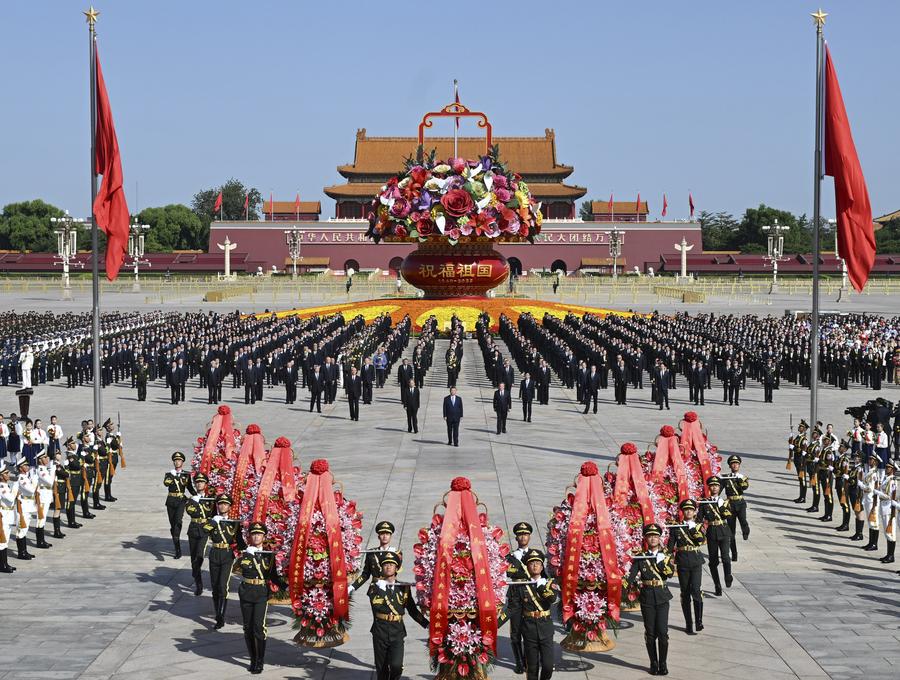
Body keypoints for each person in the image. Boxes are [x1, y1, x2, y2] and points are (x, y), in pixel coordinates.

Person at [362, 551, 428, 680]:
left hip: (397, 630)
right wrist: (380, 589)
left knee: (396, 665)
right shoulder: (374, 586)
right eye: (385, 564)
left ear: (396, 568)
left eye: (391, 565)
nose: (388, 567)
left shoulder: (403, 588)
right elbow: (376, 606)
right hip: (380, 629)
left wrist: (426, 624)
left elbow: (412, 610)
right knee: (381, 668)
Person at [237, 522, 286, 674]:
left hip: (260, 593)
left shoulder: (268, 555)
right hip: (246, 591)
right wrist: (245, 555)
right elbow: (236, 568)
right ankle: (252, 658)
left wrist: (288, 588)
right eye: (254, 534)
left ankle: (259, 661)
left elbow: (274, 577)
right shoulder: (245, 552)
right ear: (250, 536)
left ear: (264, 537)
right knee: (247, 628)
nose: (256, 536)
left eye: (259, 534)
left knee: (258, 627)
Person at [627, 524, 675, 675]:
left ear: (659, 538)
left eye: (655, 536)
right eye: (650, 536)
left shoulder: (665, 555)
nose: (653, 538)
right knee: (650, 633)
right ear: (646, 538)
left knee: (663, 632)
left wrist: (661, 561)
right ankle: (653, 663)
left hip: (661, 596)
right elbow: (631, 577)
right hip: (647, 597)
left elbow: (669, 574)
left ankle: (663, 663)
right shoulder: (640, 557)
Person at [202, 494, 246, 629]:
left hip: (227, 555)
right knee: (215, 587)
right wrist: (215, 521)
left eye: (225, 504)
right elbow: (204, 530)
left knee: (222, 586)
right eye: (220, 504)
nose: (222, 506)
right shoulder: (212, 521)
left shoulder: (234, 524)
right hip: (215, 553)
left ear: (229, 507)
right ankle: (217, 613)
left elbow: (240, 542)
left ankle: (220, 617)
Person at [513, 549, 558, 680]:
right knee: (532, 667)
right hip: (529, 628)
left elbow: (552, 599)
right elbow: (514, 608)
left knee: (548, 665)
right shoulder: (522, 585)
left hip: (546, 628)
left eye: (538, 563)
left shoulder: (550, 583)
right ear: (527, 566)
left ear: (542, 566)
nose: (535, 565)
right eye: (532, 563)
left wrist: (540, 587)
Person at [667, 499, 706, 635]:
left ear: (694, 512)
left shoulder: (698, 526)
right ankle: (688, 624)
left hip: (695, 560)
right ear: (683, 512)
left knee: (696, 590)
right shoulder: (676, 527)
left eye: (691, 510)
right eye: (686, 510)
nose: (688, 512)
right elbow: (670, 547)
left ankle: (699, 621)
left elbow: (700, 540)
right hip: (683, 561)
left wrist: (692, 528)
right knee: (685, 593)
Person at [505, 522, 534, 674]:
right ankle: (519, 662)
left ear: (529, 536)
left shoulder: (536, 555)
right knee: (515, 633)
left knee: (530, 632)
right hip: (515, 597)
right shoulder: (510, 557)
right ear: (516, 537)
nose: (523, 537)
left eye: (526, 534)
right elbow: (506, 575)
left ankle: (530, 661)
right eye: (520, 534)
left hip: (531, 598)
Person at [697, 476, 733, 595]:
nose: (714, 487)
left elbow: (728, 516)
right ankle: (717, 585)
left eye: (716, 486)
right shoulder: (705, 502)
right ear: (709, 488)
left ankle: (728, 575)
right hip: (712, 531)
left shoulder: (724, 502)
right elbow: (699, 519)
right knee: (713, 561)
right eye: (712, 486)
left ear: (719, 487)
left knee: (725, 556)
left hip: (723, 530)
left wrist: (722, 506)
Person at [185, 473, 216, 595]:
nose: (199, 484)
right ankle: (198, 580)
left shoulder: (210, 499)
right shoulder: (192, 499)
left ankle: (197, 577)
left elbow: (213, 513)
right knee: (194, 557)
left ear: (206, 484)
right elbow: (190, 511)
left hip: (204, 529)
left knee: (199, 555)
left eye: (202, 482)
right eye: (197, 482)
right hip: (193, 528)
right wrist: (196, 503)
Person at [350, 520, 398, 592]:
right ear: (378, 536)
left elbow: (396, 571)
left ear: (390, 536)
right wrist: (353, 587)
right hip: (375, 589)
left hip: (390, 588)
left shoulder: (395, 553)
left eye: (387, 534)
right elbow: (365, 574)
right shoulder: (371, 553)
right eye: (382, 534)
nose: (385, 536)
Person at [163, 451, 192, 559]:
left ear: (182, 462)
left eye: (179, 461)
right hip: (171, 500)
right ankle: (177, 545)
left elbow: (190, 488)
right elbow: (166, 483)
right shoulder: (169, 474)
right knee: (172, 524)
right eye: (175, 461)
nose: (177, 462)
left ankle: (178, 547)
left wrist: (199, 496)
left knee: (178, 521)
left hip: (181, 500)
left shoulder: (186, 474)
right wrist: (171, 476)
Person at [723, 455, 750, 561]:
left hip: (740, 503)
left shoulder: (742, 477)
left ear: (739, 465)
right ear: (730, 465)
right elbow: (718, 489)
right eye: (733, 464)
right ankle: (734, 553)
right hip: (730, 504)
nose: (735, 465)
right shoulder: (726, 478)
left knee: (743, 520)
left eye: (737, 464)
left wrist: (739, 479)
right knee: (731, 532)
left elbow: (744, 487)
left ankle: (746, 531)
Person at [878, 460, 897, 564]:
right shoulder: (886, 479)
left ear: (892, 469)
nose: (886, 469)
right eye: (886, 467)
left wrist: (879, 494)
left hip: (889, 509)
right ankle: (888, 554)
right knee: (887, 532)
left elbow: (890, 496)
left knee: (891, 533)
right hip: (884, 507)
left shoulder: (892, 481)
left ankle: (891, 556)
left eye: (888, 467)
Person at [0, 462, 17, 572]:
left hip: (8, 515)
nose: (8, 474)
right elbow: (11, 499)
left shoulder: (6, 486)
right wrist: (16, 488)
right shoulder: (2, 488)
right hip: (4, 516)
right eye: (6, 473)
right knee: (2, 541)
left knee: (5, 541)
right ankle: (2, 565)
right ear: (1, 476)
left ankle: (5, 563)